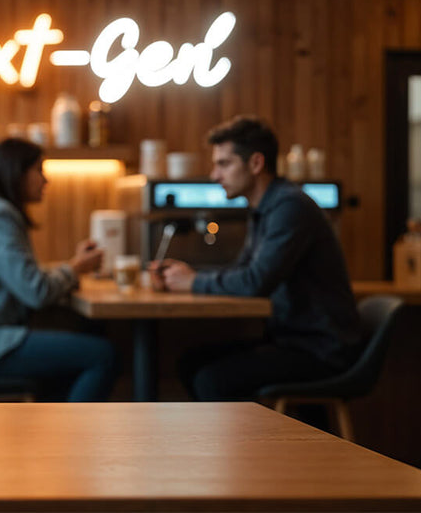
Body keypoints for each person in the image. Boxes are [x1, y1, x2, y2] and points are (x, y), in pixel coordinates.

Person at [150, 115, 360, 401]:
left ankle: (235, 447)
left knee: (212, 380)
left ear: (256, 163)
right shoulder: (266, 207)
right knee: (190, 362)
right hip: (292, 340)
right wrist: (187, 275)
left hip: (318, 350)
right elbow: (243, 271)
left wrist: (194, 281)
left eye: (224, 164)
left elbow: (255, 282)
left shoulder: (289, 206)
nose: (214, 175)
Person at [0, 139, 118, 402]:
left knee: (86, 345)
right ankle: (76, 439)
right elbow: (35, 292)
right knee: (103, 355)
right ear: (17, 172)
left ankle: (60, 430)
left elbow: (24, 276)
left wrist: (72, 266)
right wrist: (77, 267)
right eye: (39, 170)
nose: (46, 180)